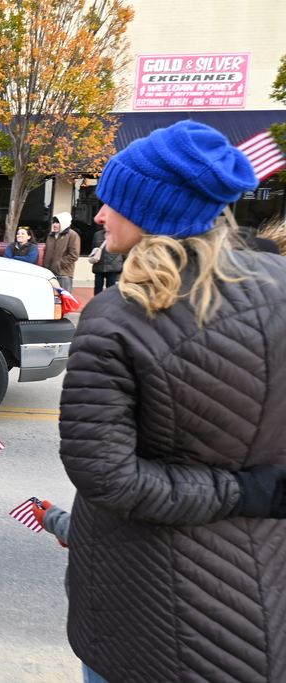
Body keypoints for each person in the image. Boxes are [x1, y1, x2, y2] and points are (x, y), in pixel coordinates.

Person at [59, 120, 286, 683]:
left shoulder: (118, 317)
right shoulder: (279, 284)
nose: (99, 215)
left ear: (152, 211)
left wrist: (236, 490)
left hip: (146, 613)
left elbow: (107, 479)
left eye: (112, 201)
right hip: (261, 596)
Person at [42, 212, 79, 290]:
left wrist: (59, 264)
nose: (54, 225)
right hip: (49, 273)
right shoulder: (50, 235)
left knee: (63, 299)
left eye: (57, 223)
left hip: (63, 274)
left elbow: (74, 255)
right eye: (54, 222)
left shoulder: (72, 235)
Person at [88, 227, 123, 294]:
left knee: (110, 290)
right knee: (97, 289)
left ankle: (110, 303)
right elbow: (94, 248)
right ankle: (97, 303)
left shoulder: (119, 235)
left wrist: (123, 265)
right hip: (99, 265)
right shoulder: (97, 235)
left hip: (113, 267)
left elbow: (123, 251)